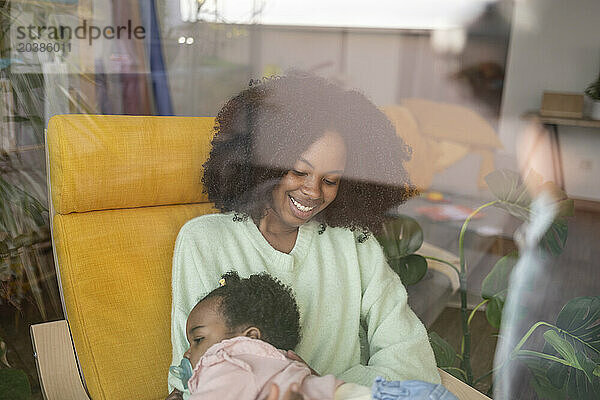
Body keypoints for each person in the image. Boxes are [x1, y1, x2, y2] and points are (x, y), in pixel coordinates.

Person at [168, 72, 440, 399]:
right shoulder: (204, 241)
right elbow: (189, 372)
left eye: (331, 180)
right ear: (264, 165)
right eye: (299, 171)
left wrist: (325, 388)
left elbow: (411, 359)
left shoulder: (353, 242)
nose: (313, 191)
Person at [170, 272, 457, 400]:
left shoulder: (226, 358)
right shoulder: (287, 363)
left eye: (198, 339)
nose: (187, 353)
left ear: (249, 338)